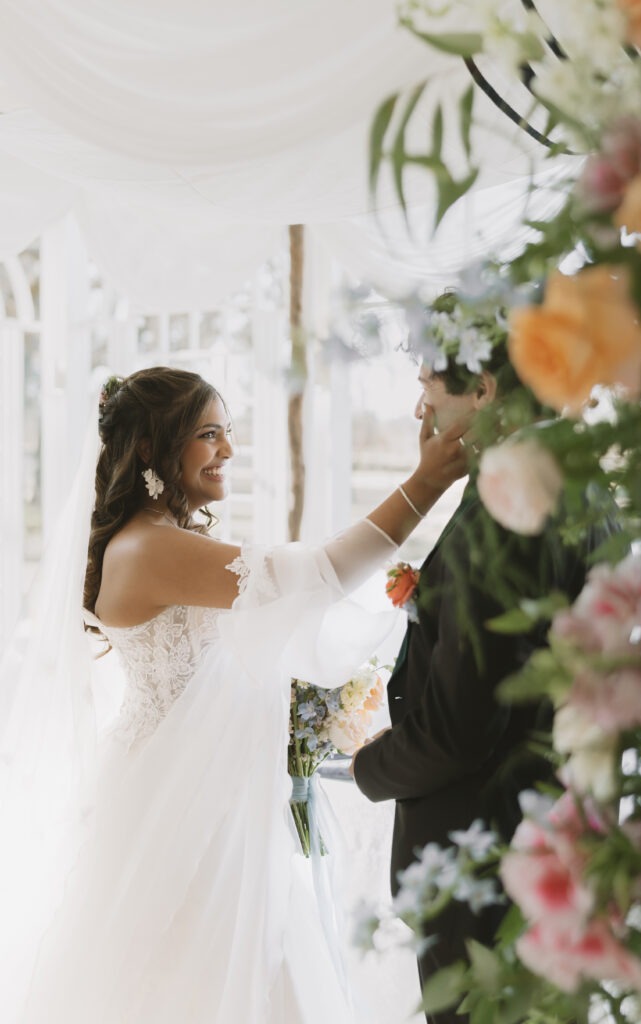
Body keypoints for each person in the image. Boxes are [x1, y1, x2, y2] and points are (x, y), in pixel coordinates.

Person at [0, 365, 466, 1024]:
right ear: (146, 449)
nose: (228, 450)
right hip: (181, 802)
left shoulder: (164, 543)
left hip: (195, 787)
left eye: (228, 433)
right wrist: (427, 483)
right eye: (208, 434)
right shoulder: (150, 548)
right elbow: (320, 575)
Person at [352, 305, 605, 1024]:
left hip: (486, 869)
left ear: (485, 389)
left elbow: (458, 730)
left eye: (429, 380)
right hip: (557, 844)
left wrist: (369, 766)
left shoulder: (504, 507)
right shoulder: (582, 486)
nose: (417, 403)